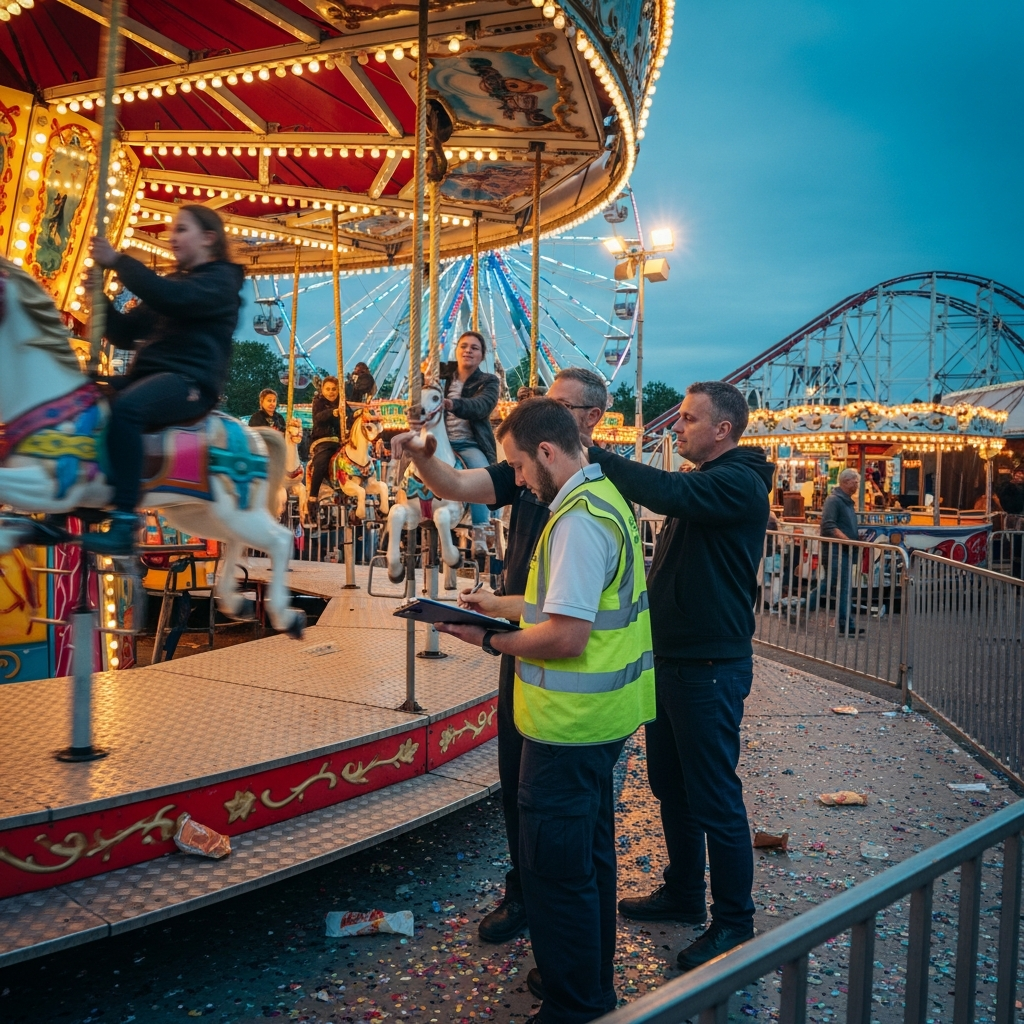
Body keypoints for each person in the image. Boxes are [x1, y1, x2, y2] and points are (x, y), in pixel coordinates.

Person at [434, 398, 654, 1024]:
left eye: (519, 466)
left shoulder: (578, 520)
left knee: (557, 872)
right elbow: (558, 603)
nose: (519, 480)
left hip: (567, 727)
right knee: (589, 861)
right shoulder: (602, 499)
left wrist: (486, 638)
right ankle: (587, 979)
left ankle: (573, 1003)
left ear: (548, 453)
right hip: (599, 722)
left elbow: (566, 636)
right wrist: (498, 607)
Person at [391, 366, 610, 945]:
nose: (545, 411)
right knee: (521, 785)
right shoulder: (533, 472)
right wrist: (420, 455)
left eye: (558, 407)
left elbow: (572, 627)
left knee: (565, 810)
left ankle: (572, 941)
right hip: (529, 640)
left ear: (588, 420)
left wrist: (489, 635)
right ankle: (533, 896)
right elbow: (457, 486)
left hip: (571, 673)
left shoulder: (587, 493)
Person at [585, 380, 774, 971]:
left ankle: (734, 923)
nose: (678, 427)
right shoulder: (711, 484)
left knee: (715, 796)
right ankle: (686, 892)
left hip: (710, 666)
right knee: (671, 786)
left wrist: (588, 451)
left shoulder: (738, 483)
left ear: (724, 429)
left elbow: (663, 490)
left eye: (690, 419)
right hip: (675, 660)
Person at [87, 205, 244, 555]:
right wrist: (99, 299)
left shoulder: (219, 283)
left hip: (190, 381)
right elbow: (127, 335)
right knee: (86, 397)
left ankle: (126, 522)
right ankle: (81, 496)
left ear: (208, 238)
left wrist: (117, 261)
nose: (172, 237)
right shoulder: (175, 283)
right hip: (152, 375)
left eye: (181, 229)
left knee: (127, 409)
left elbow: (171, 298)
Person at [439, 331, 500, 553]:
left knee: (480, 476)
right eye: (464, 346)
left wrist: (453, 404)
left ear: (482, 355)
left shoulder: (489, 382)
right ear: (456, 350)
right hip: (439, 441)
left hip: (468, 443)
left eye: (474, 348)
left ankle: (481, 530)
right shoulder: (442, 374)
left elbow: (482, 406)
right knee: (408, 465)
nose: (468, 350)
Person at [810, 469, 862, 634]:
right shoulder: (835, 501)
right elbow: (829, 525)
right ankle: (846, 624)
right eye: (855, 481)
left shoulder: (844, 501)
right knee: (837, 585)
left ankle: (846, 623)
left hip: (841, 550)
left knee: (835, 584)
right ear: (846, 482)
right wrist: (848, 540)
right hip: (836, 550)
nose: (857, 485)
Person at [307, 376, 342, 521]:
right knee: (321, 461)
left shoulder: (342, 402)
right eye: (328, 389)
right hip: (323, 439)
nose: (331, 392)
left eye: (334, 389)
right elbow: (318, 417)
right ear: (322, 390)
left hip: (340, 441)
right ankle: (313, 497)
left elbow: (351, 416)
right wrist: (333, 412)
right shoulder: (318, 402)